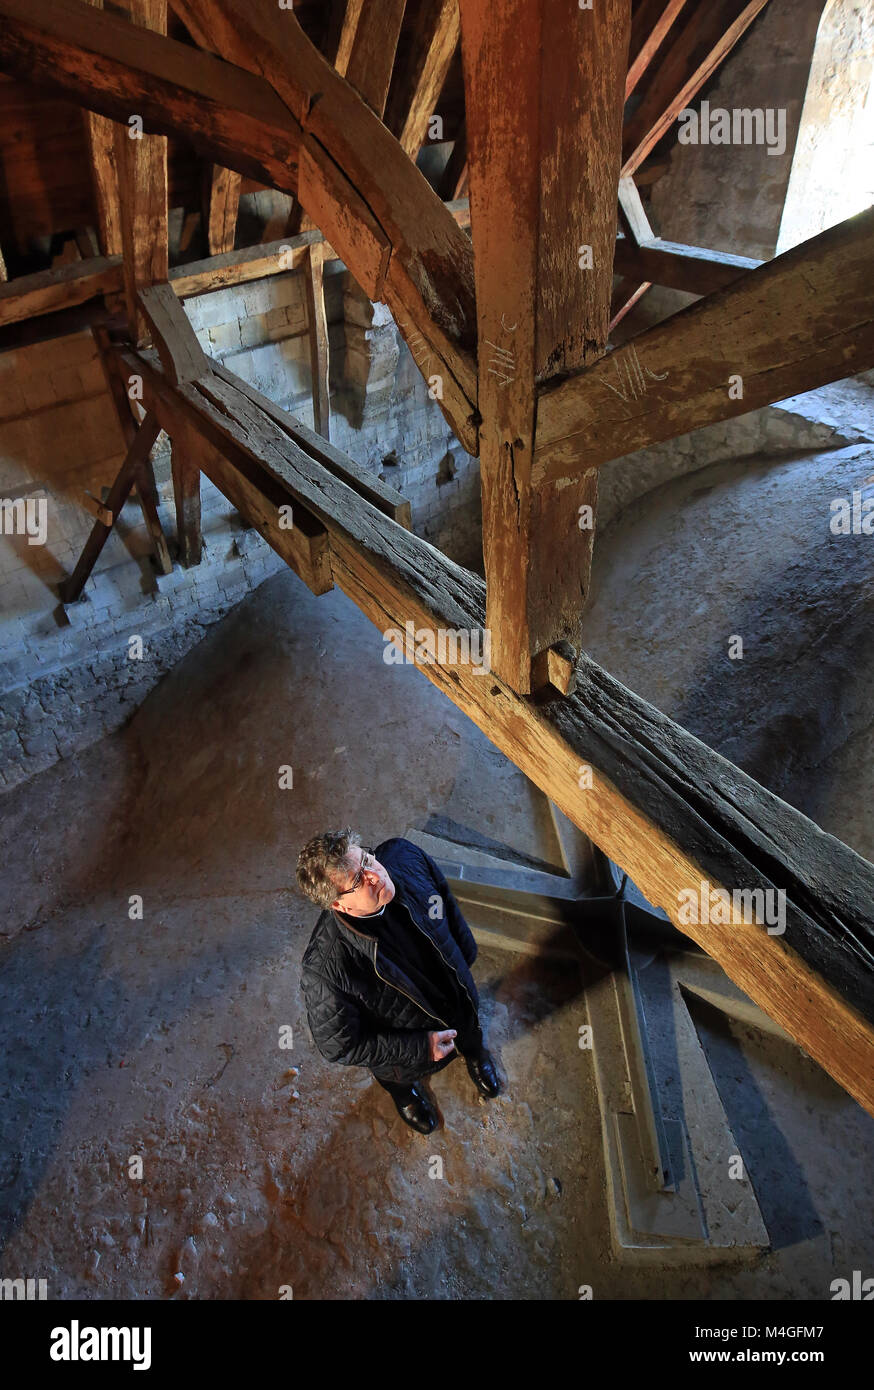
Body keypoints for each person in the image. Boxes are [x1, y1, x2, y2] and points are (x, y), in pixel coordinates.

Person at [296, 828, 502, 1134]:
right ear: (339, 905)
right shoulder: (325, 971)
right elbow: (339, 1046)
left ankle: (474, 1052)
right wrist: (419, 1048)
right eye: (358, 881)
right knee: (399, 1079)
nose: (376, 875)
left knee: (470, 1029)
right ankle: (406, 1094)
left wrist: (465, 955)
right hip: (408, 1053)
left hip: (456, 1000)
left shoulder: (404, 856)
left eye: (367, 860)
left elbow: (444, 899)